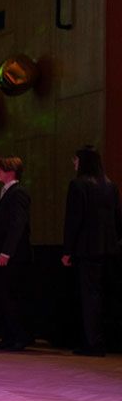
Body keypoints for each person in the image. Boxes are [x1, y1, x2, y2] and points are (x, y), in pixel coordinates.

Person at [61, 146, 120, 356]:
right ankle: (103, 340)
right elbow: (117, 219)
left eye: (76, 160)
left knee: (89, 296)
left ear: (83, 162)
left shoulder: (78, 185)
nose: (74, 163)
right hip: (109, 249)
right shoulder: (110, 186)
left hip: (86, 249)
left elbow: (74, 220)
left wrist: (67, 250)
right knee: (103, 295)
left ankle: (92, 343)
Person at [0, 156, 32, 351]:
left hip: (14, 255)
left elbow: (17, 224)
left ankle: (18, 337)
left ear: (10, 172)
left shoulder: (18, 192)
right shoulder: (7, 192)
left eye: (0, 169)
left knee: (11, 295)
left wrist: (6, 252)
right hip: (7, 253)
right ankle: (9, 336)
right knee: (3, 295)